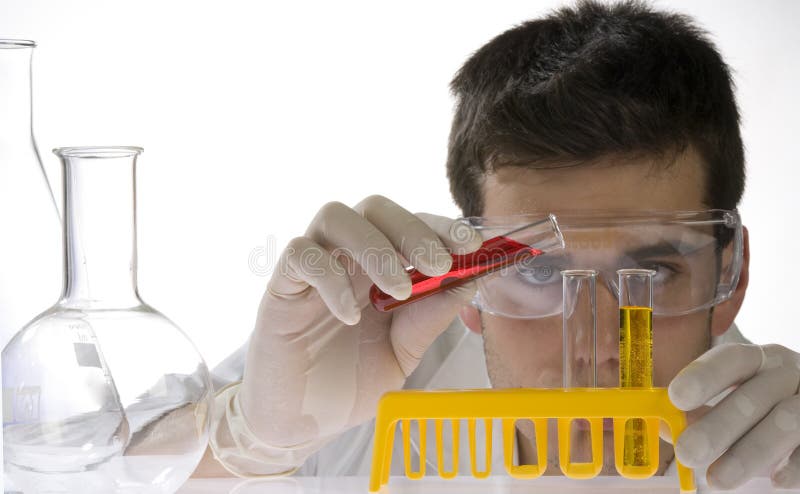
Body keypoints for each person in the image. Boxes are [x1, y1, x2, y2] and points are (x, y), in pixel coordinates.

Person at [192, 1, 800, 489]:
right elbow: (129, 461)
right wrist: (250, 438)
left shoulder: (784, 445)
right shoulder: (361, 360)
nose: (594, 352)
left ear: (732, 275)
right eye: (539, 273)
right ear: (469, 276)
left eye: (655, 273)